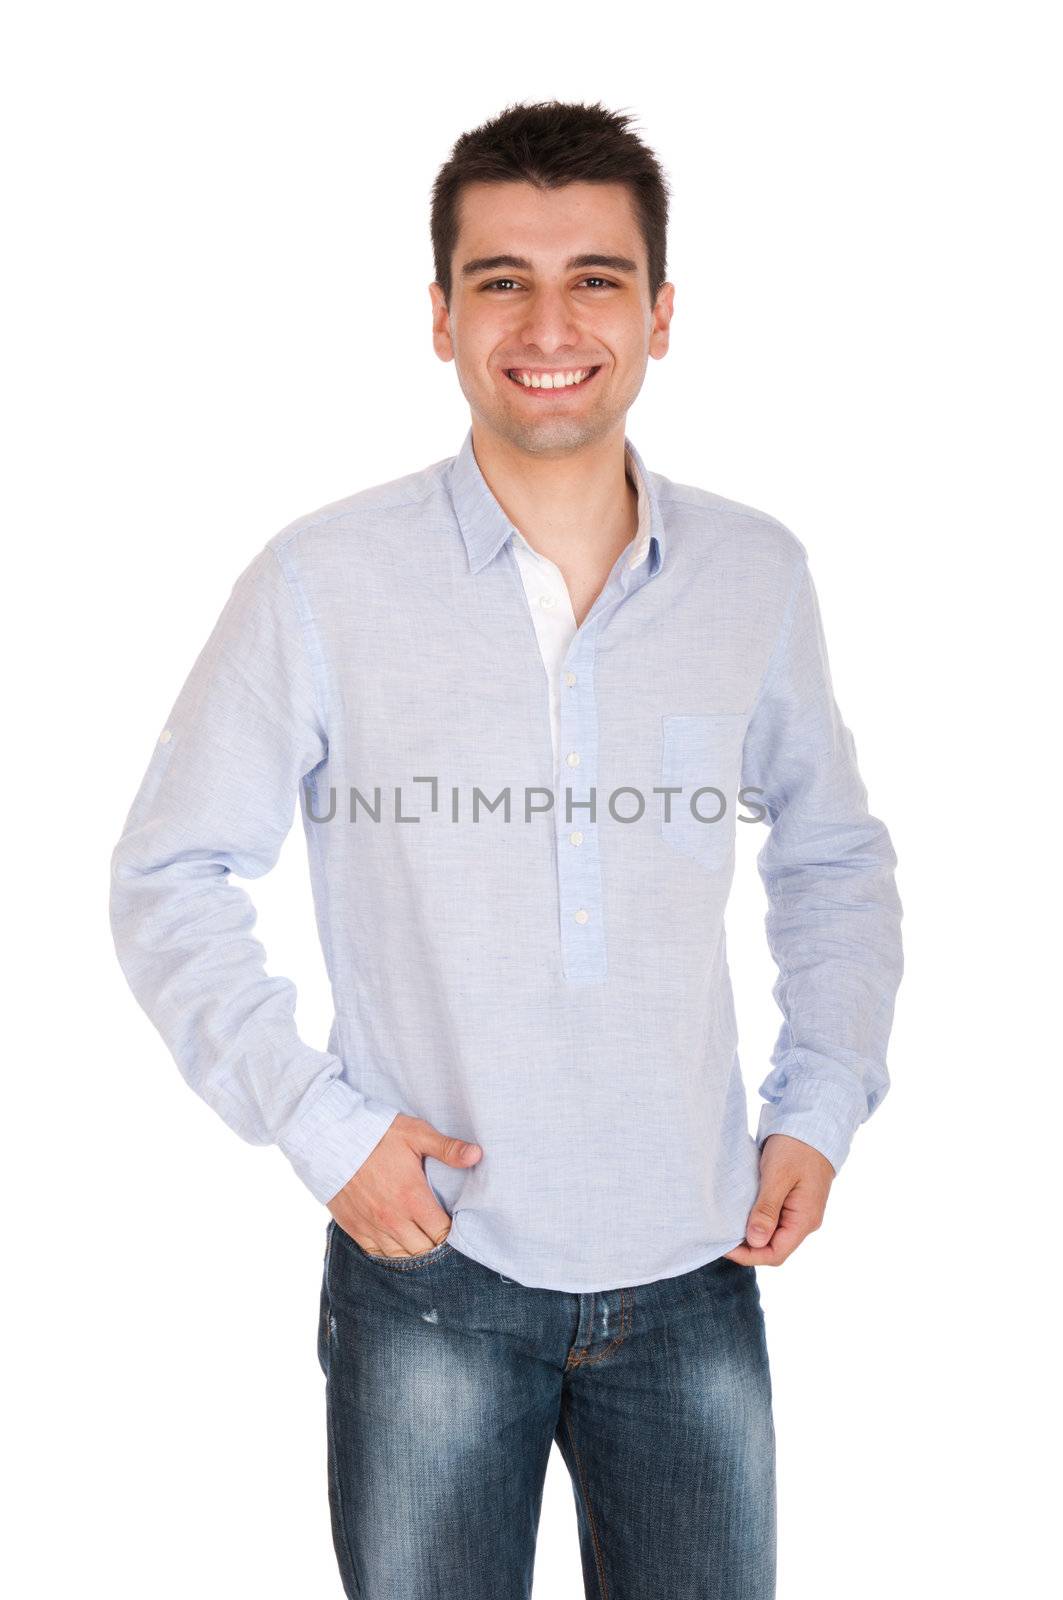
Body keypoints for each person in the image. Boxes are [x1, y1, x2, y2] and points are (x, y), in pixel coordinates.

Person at [109, 99, 903, 1600]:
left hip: (695, 1264)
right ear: (440, 316)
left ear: (662, 316)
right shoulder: (323, 581)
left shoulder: (756, 573)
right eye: (502, 280)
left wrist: (825, 1099)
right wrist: (324, 1131)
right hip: (433, 1277)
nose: (551, 322)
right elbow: (169, 874)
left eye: (597, 277)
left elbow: (833, 855)